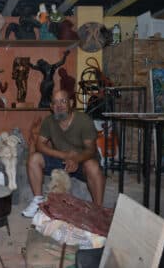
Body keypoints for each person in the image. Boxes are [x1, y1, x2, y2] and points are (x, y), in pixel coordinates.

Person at [21, 90, 105, 218]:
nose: (59, 106)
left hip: (83, 160)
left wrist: (76, 159)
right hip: (62, 160)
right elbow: (39, 145)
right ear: (51, 107)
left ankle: (98, 210)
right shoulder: (49, 121)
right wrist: (64, 155)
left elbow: (91, 149)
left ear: (71, 103)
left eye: (63, 101)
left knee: (93, 167)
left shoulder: (84, 120)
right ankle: (38, 202)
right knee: (34, 159)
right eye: (55, 103)